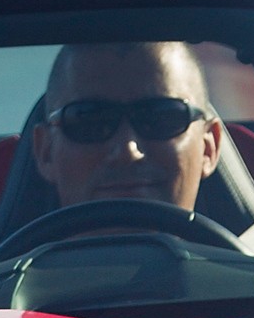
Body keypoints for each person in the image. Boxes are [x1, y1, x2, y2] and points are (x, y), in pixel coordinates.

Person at [26, 38, 225, 220]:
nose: (127, 151)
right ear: (45, 152)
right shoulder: (8, 252)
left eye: (160, 118)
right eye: (90, 122)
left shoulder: (246, 250)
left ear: (209, 147)